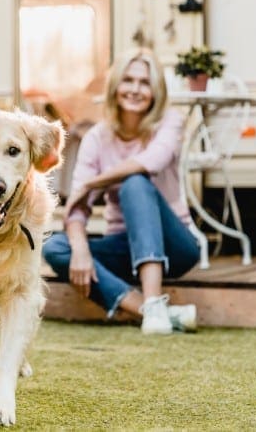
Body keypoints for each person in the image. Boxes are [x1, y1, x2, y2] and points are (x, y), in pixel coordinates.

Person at [42, 47, 200, 335]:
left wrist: (93, 183)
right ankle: (154, 311)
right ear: (116, 86)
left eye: (144, 82)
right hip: (123, 246)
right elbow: (77, 209)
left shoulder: (171, 121)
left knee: (135, 183)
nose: (135, 90)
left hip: (175, 247)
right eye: (128, 80)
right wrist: (80, 250)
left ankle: (153, 300)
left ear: (156, 90)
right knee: (55, 247)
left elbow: (150, 162)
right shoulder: (96, 138)